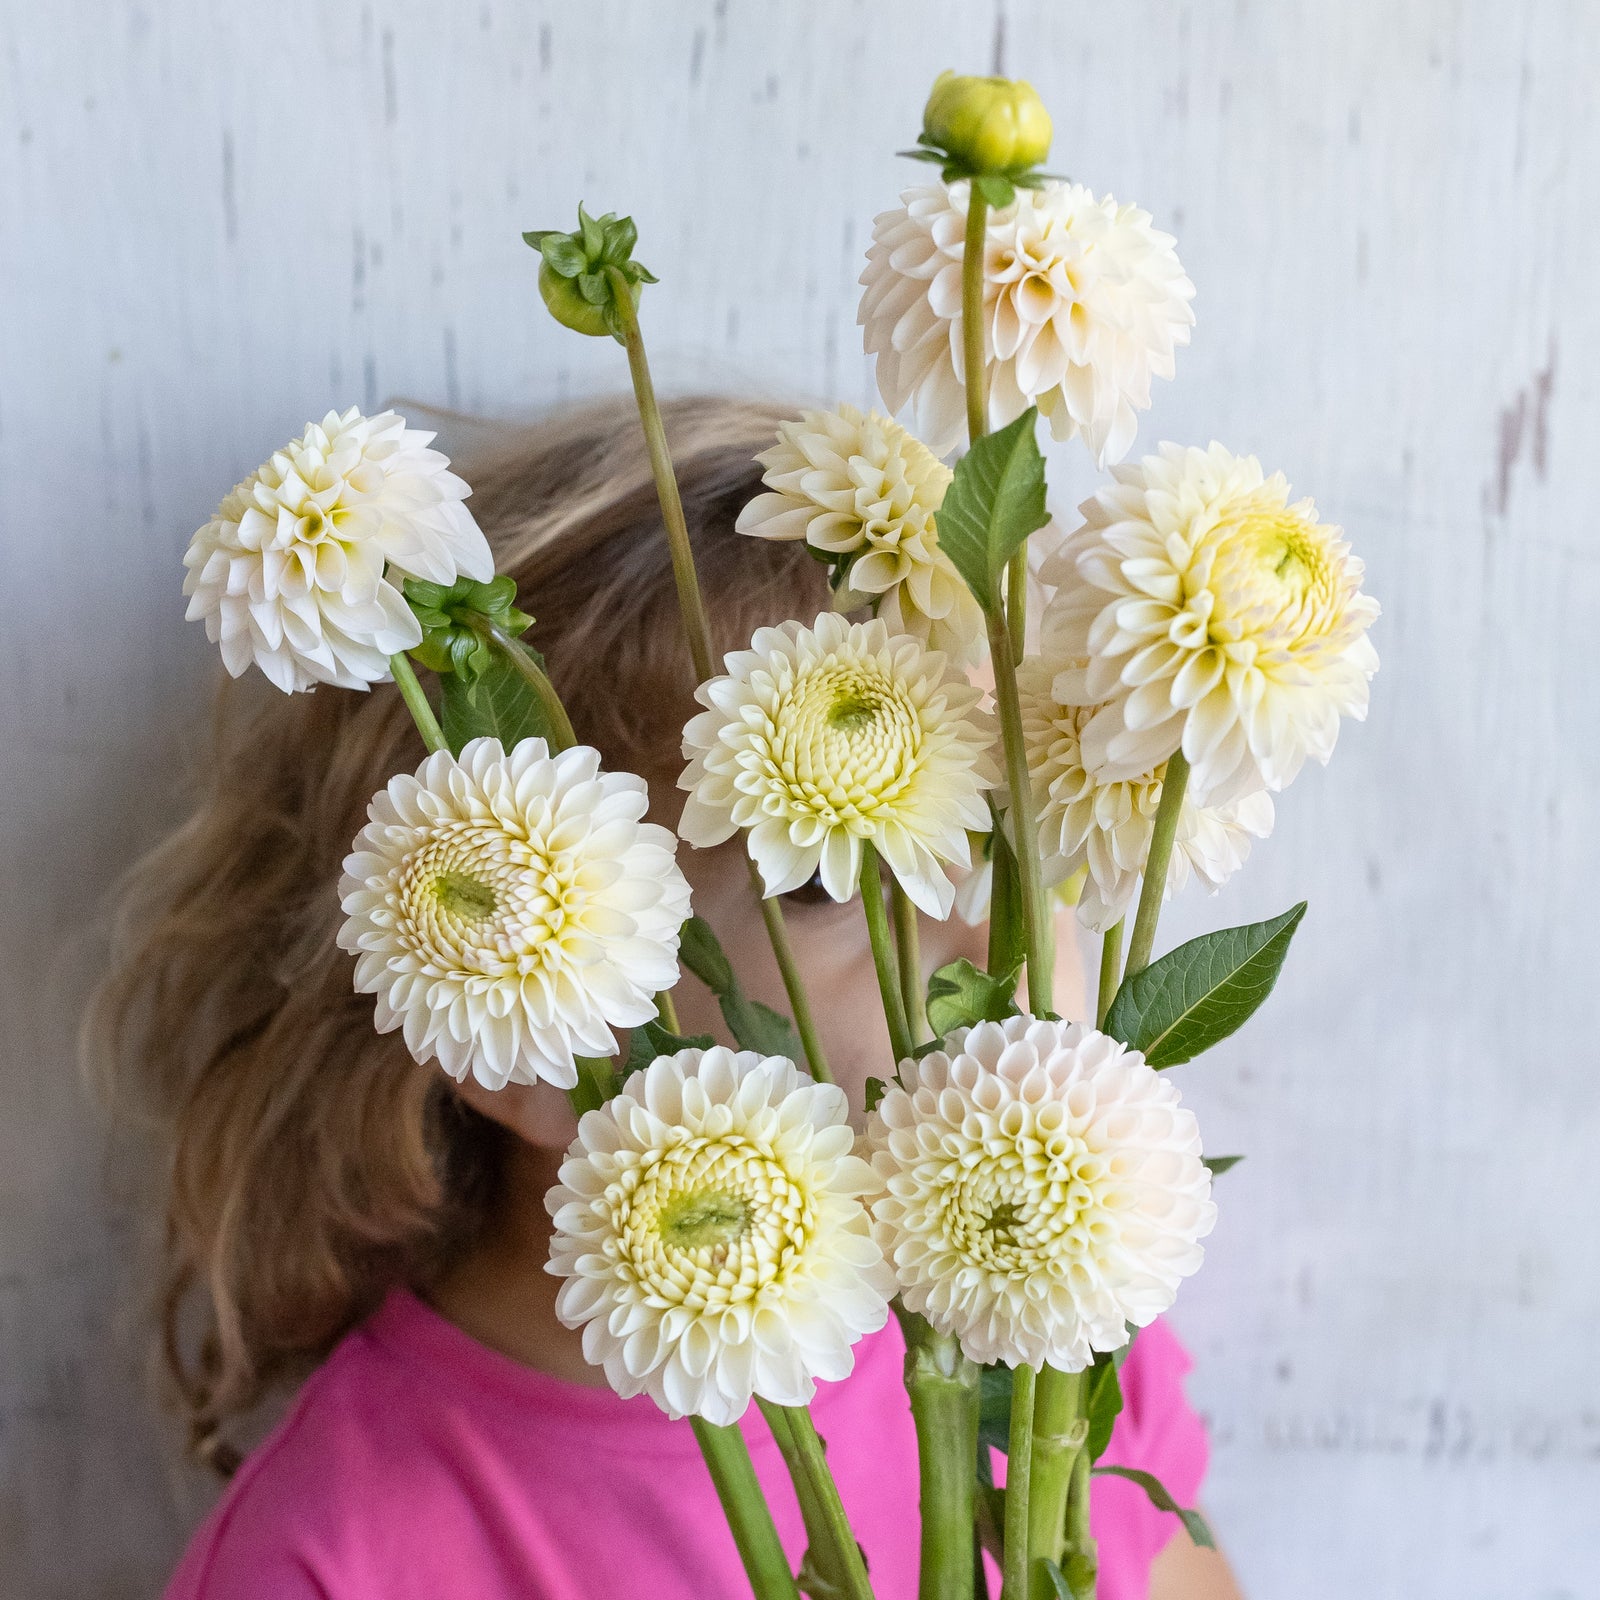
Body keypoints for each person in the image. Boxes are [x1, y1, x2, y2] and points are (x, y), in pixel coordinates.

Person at [89, 395, 1243, 1600]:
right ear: (522, 1022)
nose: (989, 930)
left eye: (995, 829)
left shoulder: (1045, 1329)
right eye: (825, 878)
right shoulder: (343, 1557)